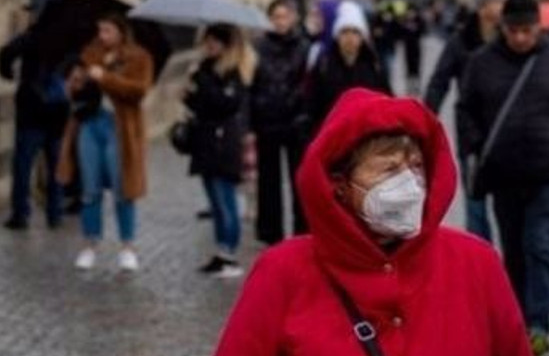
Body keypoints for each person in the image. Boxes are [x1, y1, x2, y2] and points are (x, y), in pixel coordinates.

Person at [214, 88, 532, 355]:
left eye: (416, 166)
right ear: (340, 184)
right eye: (389, 169)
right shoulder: (282, 272)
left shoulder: (476, 263)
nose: (408, 183)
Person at [457, 0, 549, 355]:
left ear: (539, 27)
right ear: (503, 27)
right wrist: (475, 146)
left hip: (547, 173)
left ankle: (539, 324)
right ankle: (515, 318)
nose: (520, 37)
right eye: (513, 30)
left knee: (541, 248)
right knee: (514, 251)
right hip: (502, 176)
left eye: (527, 30)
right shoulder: (481, 62)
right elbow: (465, 109)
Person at [57, 13, 155, 271]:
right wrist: (77, 81)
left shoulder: (139, 57)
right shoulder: (89, 54)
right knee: (89, 188)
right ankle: (90, 243)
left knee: (123, 189)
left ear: (121, 32)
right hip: (90, 124)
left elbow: (139, 91)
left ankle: (127, 246)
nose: (103, 36)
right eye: (100, 30)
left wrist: (106, 78)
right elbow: (73, 93)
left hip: (119, 128)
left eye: (108, 31)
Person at [424, 0, 509, 241]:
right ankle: (482, 261)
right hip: (472, 133)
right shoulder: (461, 41)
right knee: (476, 206)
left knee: (507, 210)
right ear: (482, 7)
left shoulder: (513, 38)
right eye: (495, 2)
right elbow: (440, 81)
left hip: (508, 131)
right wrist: (426, 119)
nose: (500, 8)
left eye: (502, 2)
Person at [186, 24, 255, 278]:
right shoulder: (204, 69)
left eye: (214, 42)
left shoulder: (232, 72)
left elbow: (226, 103)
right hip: (204, 141)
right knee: (214, 201)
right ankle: (220, 251)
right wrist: (189, 93)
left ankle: (230, 254)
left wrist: (201, 83)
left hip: (223, 141)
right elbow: (199, 103)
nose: (209, 46)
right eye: (207, 41)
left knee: (225, 198)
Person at [0, 0, 69, 230]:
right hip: (58, 112)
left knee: (23, 165)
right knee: (56, 165)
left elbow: (6, 53)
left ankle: (21, 213)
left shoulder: (31, 37)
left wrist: (8, 74)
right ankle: (55, 213)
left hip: (32, 111)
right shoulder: (64, 39)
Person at [250, 0, 311, 244]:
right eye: (276, 17)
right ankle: (269, 232)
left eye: (284, 16)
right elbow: (252, 83)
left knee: (300, 180)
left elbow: (308, 84)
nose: (280, 21)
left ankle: (302, 230)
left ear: (294, 18)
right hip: (267, 120)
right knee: (268, 181)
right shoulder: (258, 47)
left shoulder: (305, 47)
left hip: (295, 122)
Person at [307, 0, 391, 135]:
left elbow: (386, 101)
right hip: (332, 134)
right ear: (337, 35)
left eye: (355, 32)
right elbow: (312, 105)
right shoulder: (324, 64)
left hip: (365, 135)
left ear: (362, 36)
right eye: (344, 32)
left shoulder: (374, 65)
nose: (349, 37)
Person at [398, 3, 427, 95]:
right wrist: (404, 25)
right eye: (409, 12)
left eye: (412, 12)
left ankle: (417, 87)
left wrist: (416, 28)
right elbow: (400, 33)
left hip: (416, 47)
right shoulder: (405, 21)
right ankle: (409, 87)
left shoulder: (419, 20)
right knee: (408, 68)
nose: (410, 13)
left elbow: (423, 31)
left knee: (416, 68)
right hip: (407, 47)